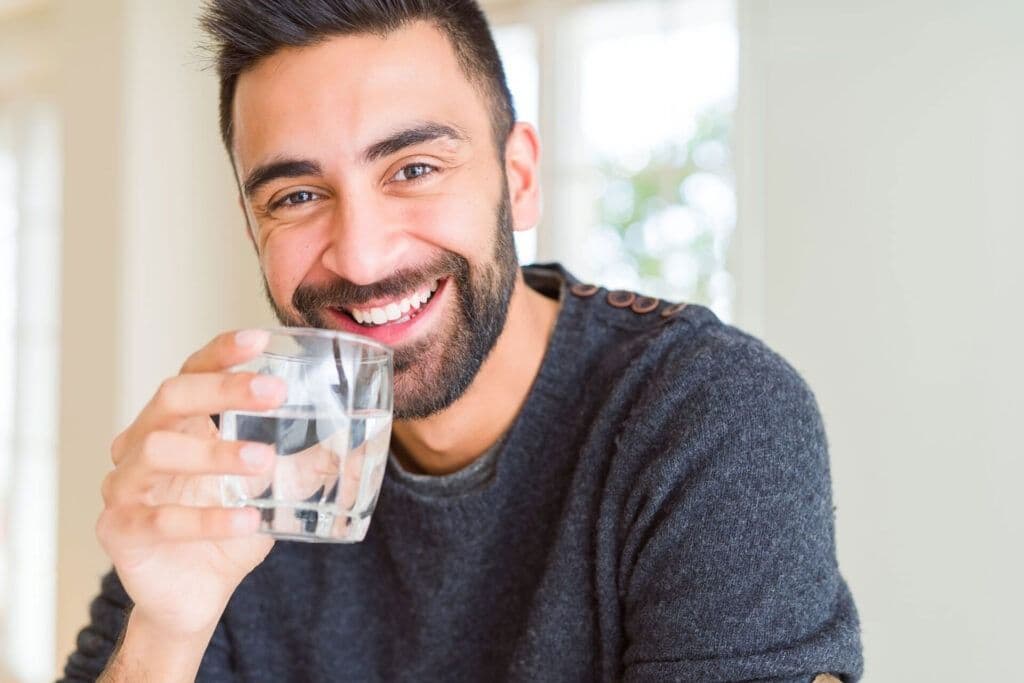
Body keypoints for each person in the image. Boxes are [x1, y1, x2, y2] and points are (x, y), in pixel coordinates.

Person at [62, 1, 863, 681]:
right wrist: (165, 632)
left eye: (413, 168)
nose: (363, 254)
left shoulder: (702, 415)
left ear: (517, 178)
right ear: (252, 226)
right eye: (298, 195)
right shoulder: (238, 464)